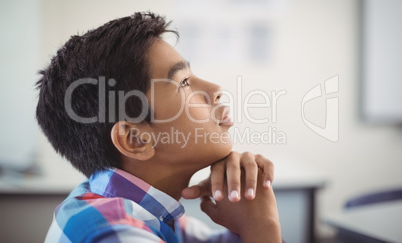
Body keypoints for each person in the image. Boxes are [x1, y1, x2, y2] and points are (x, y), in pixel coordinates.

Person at [36, 12, 282, 243]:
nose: (216, 89)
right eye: (183, 82)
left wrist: (250, 214)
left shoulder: (151, 212)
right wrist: (263, 226)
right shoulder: (112, 231)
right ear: (135, 138)